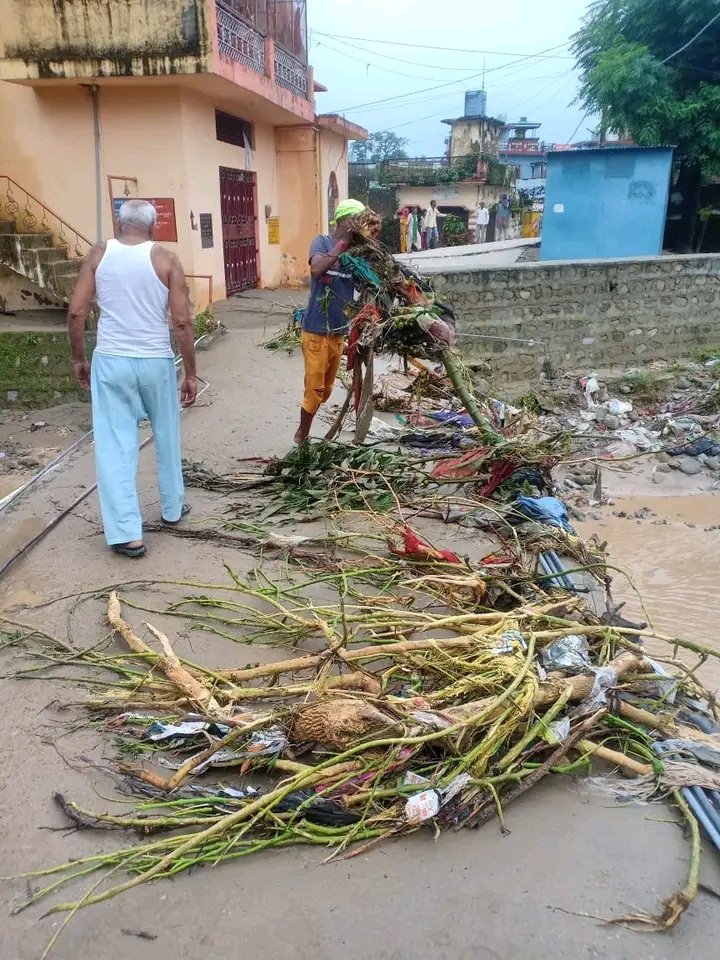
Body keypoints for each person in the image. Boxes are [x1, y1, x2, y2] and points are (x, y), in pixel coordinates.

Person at [67, 199, 196, 559]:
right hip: (155, 360)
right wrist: (191, 373)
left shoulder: (98, 254)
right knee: (167, 434)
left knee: (115, 445)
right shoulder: (166, 260)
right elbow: (182, 322)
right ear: (153, 227)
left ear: (119, 223)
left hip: (112, 361)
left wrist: (78, 359)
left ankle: (128, 534)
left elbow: (77, 311)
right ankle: (173, 508)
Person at [294, 198, 365, 445]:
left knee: (326, 390)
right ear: (346, 222)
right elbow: (316, 270)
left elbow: (363, 285)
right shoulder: (322, 242)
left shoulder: (355, 255)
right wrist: (342, 245)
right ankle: (302, 436)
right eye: (358, 222)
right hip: (315, 330)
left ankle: (304, 426)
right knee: (314, 392)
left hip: (338, 331)